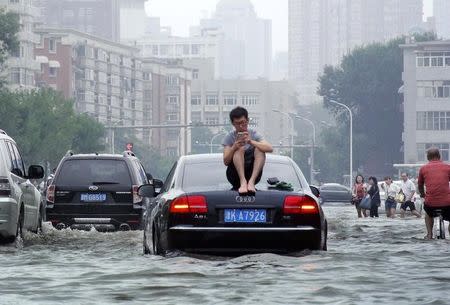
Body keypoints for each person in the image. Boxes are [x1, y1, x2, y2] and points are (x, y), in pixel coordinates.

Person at [222, 106, 273, 194]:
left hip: (252, 175)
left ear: (248, 120)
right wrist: (234, 146)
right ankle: (243, 182)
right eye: (237, 123)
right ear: (233, 123)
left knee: (260, 149)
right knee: (239, 149)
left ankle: (251, 182)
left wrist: (250, 141)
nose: (241, 126)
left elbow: (269, 148)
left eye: (243, 122)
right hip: (234, 176)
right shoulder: (229, 137)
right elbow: (226, 161)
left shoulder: (253, 133)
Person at [417, 147, 450, 239]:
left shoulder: (423, 169)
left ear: (428, 157)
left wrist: (423, 195)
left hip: (431, 204)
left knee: (428, 214)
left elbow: (420, 185)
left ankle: (429, 234)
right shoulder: (448, 167)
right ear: (439, 156)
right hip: (447, 204)